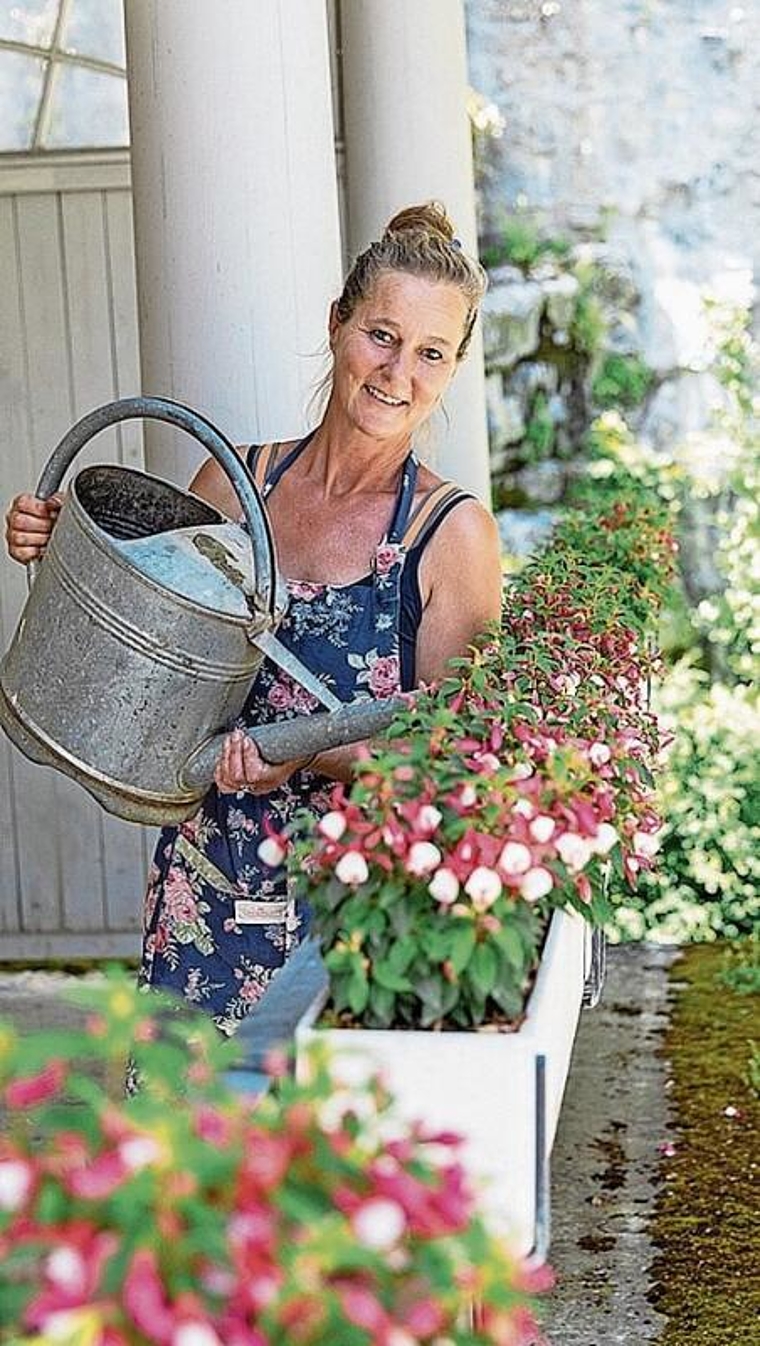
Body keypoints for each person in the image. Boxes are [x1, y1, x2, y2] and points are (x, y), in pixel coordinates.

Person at [5, 201, 503, 1036]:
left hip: (350, 924)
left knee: (318, 1162)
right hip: (206, 895)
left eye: (430, 354)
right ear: (338, 325)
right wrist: (59, 550)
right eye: (381, 335)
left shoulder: (451, 536)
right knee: (183, 1149)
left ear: (452, 369)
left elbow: (451, 763)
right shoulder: (236, 486)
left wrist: (306, 754)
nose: (397, 373)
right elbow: (144, 645)